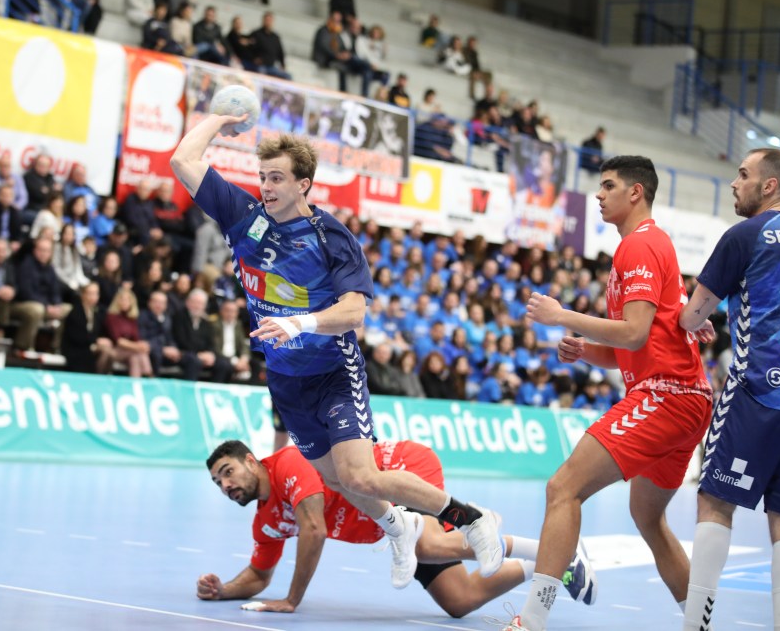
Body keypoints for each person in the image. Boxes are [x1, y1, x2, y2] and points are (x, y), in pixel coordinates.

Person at [170, 112, 506, 589]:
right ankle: (399, 526)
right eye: (263, 176)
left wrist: (298, 322)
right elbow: (183, 160)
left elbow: (354, 312)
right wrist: (220, 121)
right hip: (285, 380)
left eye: (277, 178)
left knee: (361, 476)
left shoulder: (331, 238)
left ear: (303, 184)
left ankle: (471, 518)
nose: (266, 186)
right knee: (335, 480)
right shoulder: (244, 217)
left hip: (333, 371)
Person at [513, 155, 716, 631]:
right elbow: (633, 344)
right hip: (689, 398)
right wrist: (586, 350)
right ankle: (701, 625)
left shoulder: (639, 246)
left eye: (608, 186)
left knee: (563, 488)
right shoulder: (650, 245)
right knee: (647, 515)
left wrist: (561, 316)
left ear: (635, 192)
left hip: (666, 395)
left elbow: (634, 333)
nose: (599, 195)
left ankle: (532, 621)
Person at [677, 149, 780, 631]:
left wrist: (693, 315)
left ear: (769, 186)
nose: (734, 183)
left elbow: (691, 318)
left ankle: (695, 625)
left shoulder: (745, 235)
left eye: (743, 175)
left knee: (714, 502)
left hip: (758, 389)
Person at [199, 440, 596, 615]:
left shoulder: (288, 463)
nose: (225, 485)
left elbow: (314, 529)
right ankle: (547, 565)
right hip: (392, 525)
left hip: (399, 470)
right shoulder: (264, 521)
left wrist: (292, 600)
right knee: (460, 600)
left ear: (251, 461)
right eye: (218, 482)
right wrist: (224, 590)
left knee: (428, 547)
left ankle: (547, 547)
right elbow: (258, 575)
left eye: (227, 472)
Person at [11, 236, 72, 352]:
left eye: (47, 251)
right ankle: (23, 347)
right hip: (24, 304)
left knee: (70, 310)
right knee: (36, 310)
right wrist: (46, 305)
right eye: (41, 250)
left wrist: (56, 305)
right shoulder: (26, 265)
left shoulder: (50, 268)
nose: (44, 253)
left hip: (47, 306)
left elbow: (55, 291)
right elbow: (26, 293)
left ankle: (56, 347)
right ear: (35, 250)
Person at [173, 288, 233, 383]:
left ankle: (214, 390)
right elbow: (181, 341)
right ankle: (190, 390)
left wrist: (210, 354)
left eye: (201, 304)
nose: (197, 306)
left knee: (224, 364)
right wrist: (198, 354)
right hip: (184, 354)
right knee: (194, 361)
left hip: (201, 355)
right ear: (188, 303)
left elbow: (211, 342)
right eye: (195, 302)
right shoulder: (179, 317)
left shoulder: (206, 322)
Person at [61, 282, 115, 374]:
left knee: (109, 353)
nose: (93, 297)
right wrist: (96, 341)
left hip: (88, 347)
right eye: (90, 293)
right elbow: (77, 336)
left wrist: (101, 341)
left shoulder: (96, 313)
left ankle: (101, 377)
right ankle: (96, 378)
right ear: (83, 295)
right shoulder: (76, 312)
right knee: (105, 352)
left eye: (96, 293)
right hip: (76, 349)